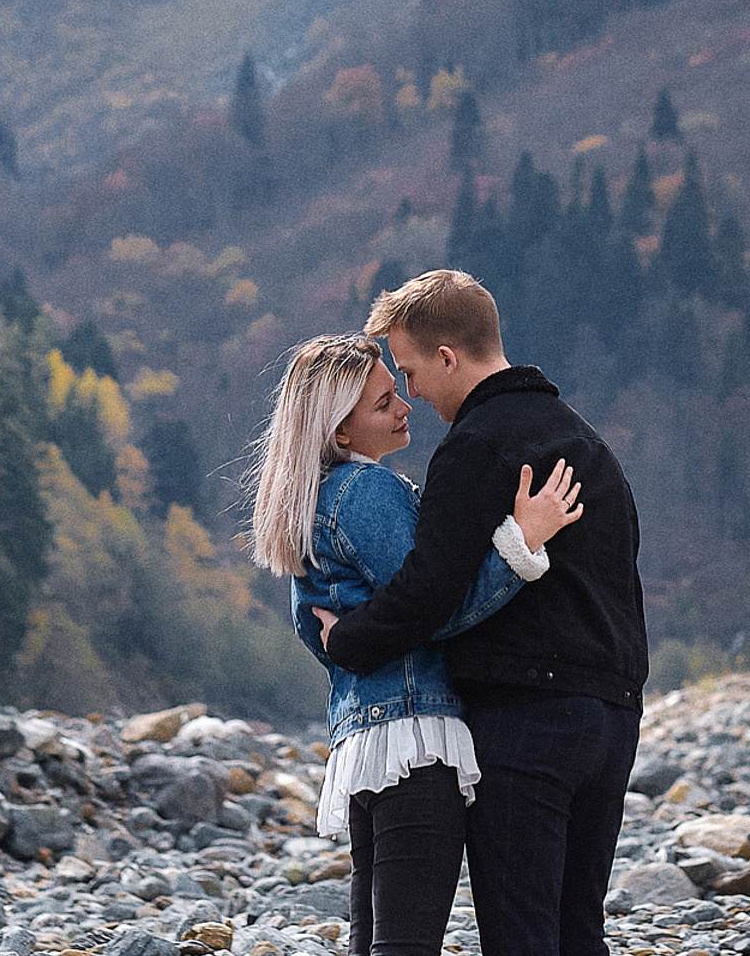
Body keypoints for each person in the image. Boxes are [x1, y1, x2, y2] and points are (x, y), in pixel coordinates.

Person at [316, 270, 648, 956]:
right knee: (579, 931)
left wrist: (347, 642)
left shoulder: (475, 447)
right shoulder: (588, 443)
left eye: (409, 371)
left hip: (527, 718)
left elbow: (425, 595)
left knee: (521, 937)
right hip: (614, 716)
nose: (410, 392)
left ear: (447, 357)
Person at [250, 332, 584, 956]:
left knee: (373, 940)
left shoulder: (307, 504)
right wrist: (523, 544)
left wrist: (351, 640)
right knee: (407, 944)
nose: (404, 404)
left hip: (363, 740)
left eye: (396, 389)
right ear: (340, 433)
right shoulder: (368, 492)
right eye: (382, 403)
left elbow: (314, 625)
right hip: (417, 740)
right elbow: (435, 609)